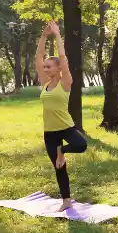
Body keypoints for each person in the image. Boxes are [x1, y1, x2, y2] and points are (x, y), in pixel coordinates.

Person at [35, 21, 88, 211]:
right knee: (59, 168)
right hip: (50, 132)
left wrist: (57, 35)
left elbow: (63, 57)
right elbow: (39, 56)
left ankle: (62, 151)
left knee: (81, 145)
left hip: (66, 127)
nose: (46, 69)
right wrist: (43, 36)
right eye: (45, 67)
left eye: (49, 67)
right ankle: (66, 200)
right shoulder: (44, 83)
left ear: (58, 69)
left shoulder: (65, 82)